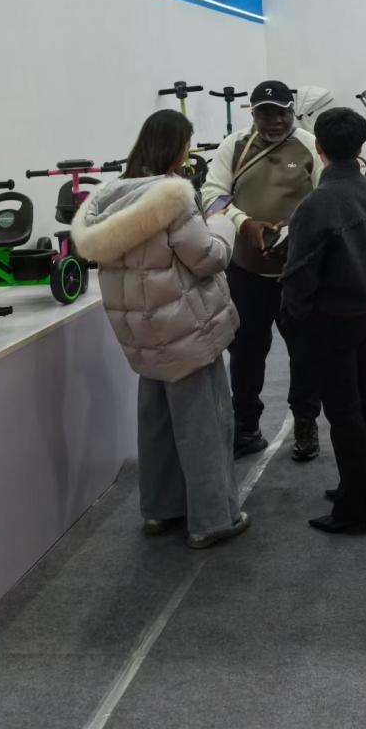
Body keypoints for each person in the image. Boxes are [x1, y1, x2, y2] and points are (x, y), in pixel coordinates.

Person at [72, 109, 248, 550]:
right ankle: (213, 518)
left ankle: (159, 509)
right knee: (205, 426)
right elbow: (206, 258)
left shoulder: (106, 198)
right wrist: (222, 226)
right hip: (185, 330)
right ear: (176, 146)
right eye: (187, 143)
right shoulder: (173, 196)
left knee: (157, 426)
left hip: (142, 335)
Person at [281, 108, 366, 534]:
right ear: (361, 145)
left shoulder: (317, 205)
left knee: (343, 410)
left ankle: (357, 506)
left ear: (319, 148)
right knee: (362, 399)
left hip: (331, 320)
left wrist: (295, 314)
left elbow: (299, 274)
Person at [202, 80, 323, 461]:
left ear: (292, 111)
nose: (275, 121)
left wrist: (296, 229)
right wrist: (244, 224)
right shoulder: (234, 146)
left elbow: (325, 197)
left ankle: (305, 423)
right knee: (245, 353)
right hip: (247, 272)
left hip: (298, 273)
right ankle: (246, 427)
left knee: (305, 352)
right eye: (265, 113)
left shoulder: (309, 145)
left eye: (282, 113)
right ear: (252, 114)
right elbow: (211, 194)